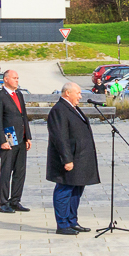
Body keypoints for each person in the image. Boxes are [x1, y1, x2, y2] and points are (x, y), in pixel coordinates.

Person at [45, 82, 99, 235]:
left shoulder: (73, 108)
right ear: (67, 93)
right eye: (78, 93)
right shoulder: (59, 110)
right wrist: (67, 159)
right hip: (68, 160)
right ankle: (62, 225)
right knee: (64, 190)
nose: (80, 96)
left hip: (80, 159)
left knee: (76, 190)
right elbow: (60, 138)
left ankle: (72, 221)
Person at [0, 69, 32, 214]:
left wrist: (28, 137)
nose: (17, 80)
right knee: (6, 171)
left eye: (18, 78)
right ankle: (4, 203)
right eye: (14, 78)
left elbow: (24, 116)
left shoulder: (19, 94)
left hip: (21, 138)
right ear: (6, 79)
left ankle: (15, 201)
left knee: (20, 171)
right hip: (8, 139)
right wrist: (2, 141)